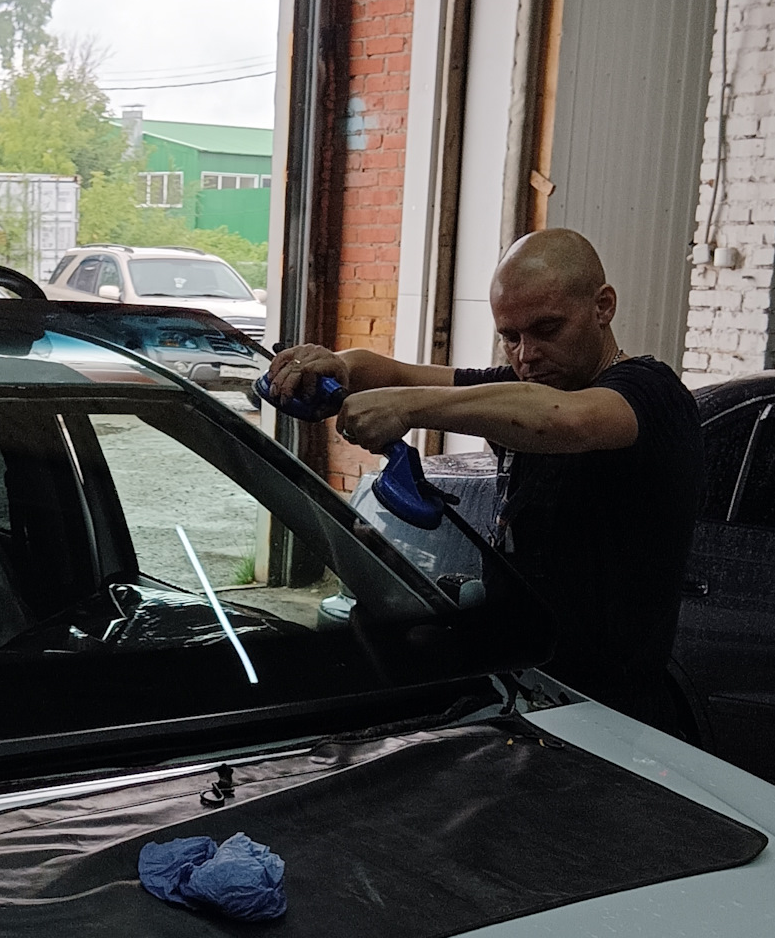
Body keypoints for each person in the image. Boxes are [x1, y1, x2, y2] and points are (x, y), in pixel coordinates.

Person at [266, 228, 702, 728]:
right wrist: (336, 366)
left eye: (547, 329)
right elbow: (393, 373)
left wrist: (408, 408)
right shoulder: (522, 386)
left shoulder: (651, 393)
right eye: (510, 337)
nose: (527, 355)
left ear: (603, 307)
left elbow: (566, 419)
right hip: (523, 700)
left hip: (613, 718)